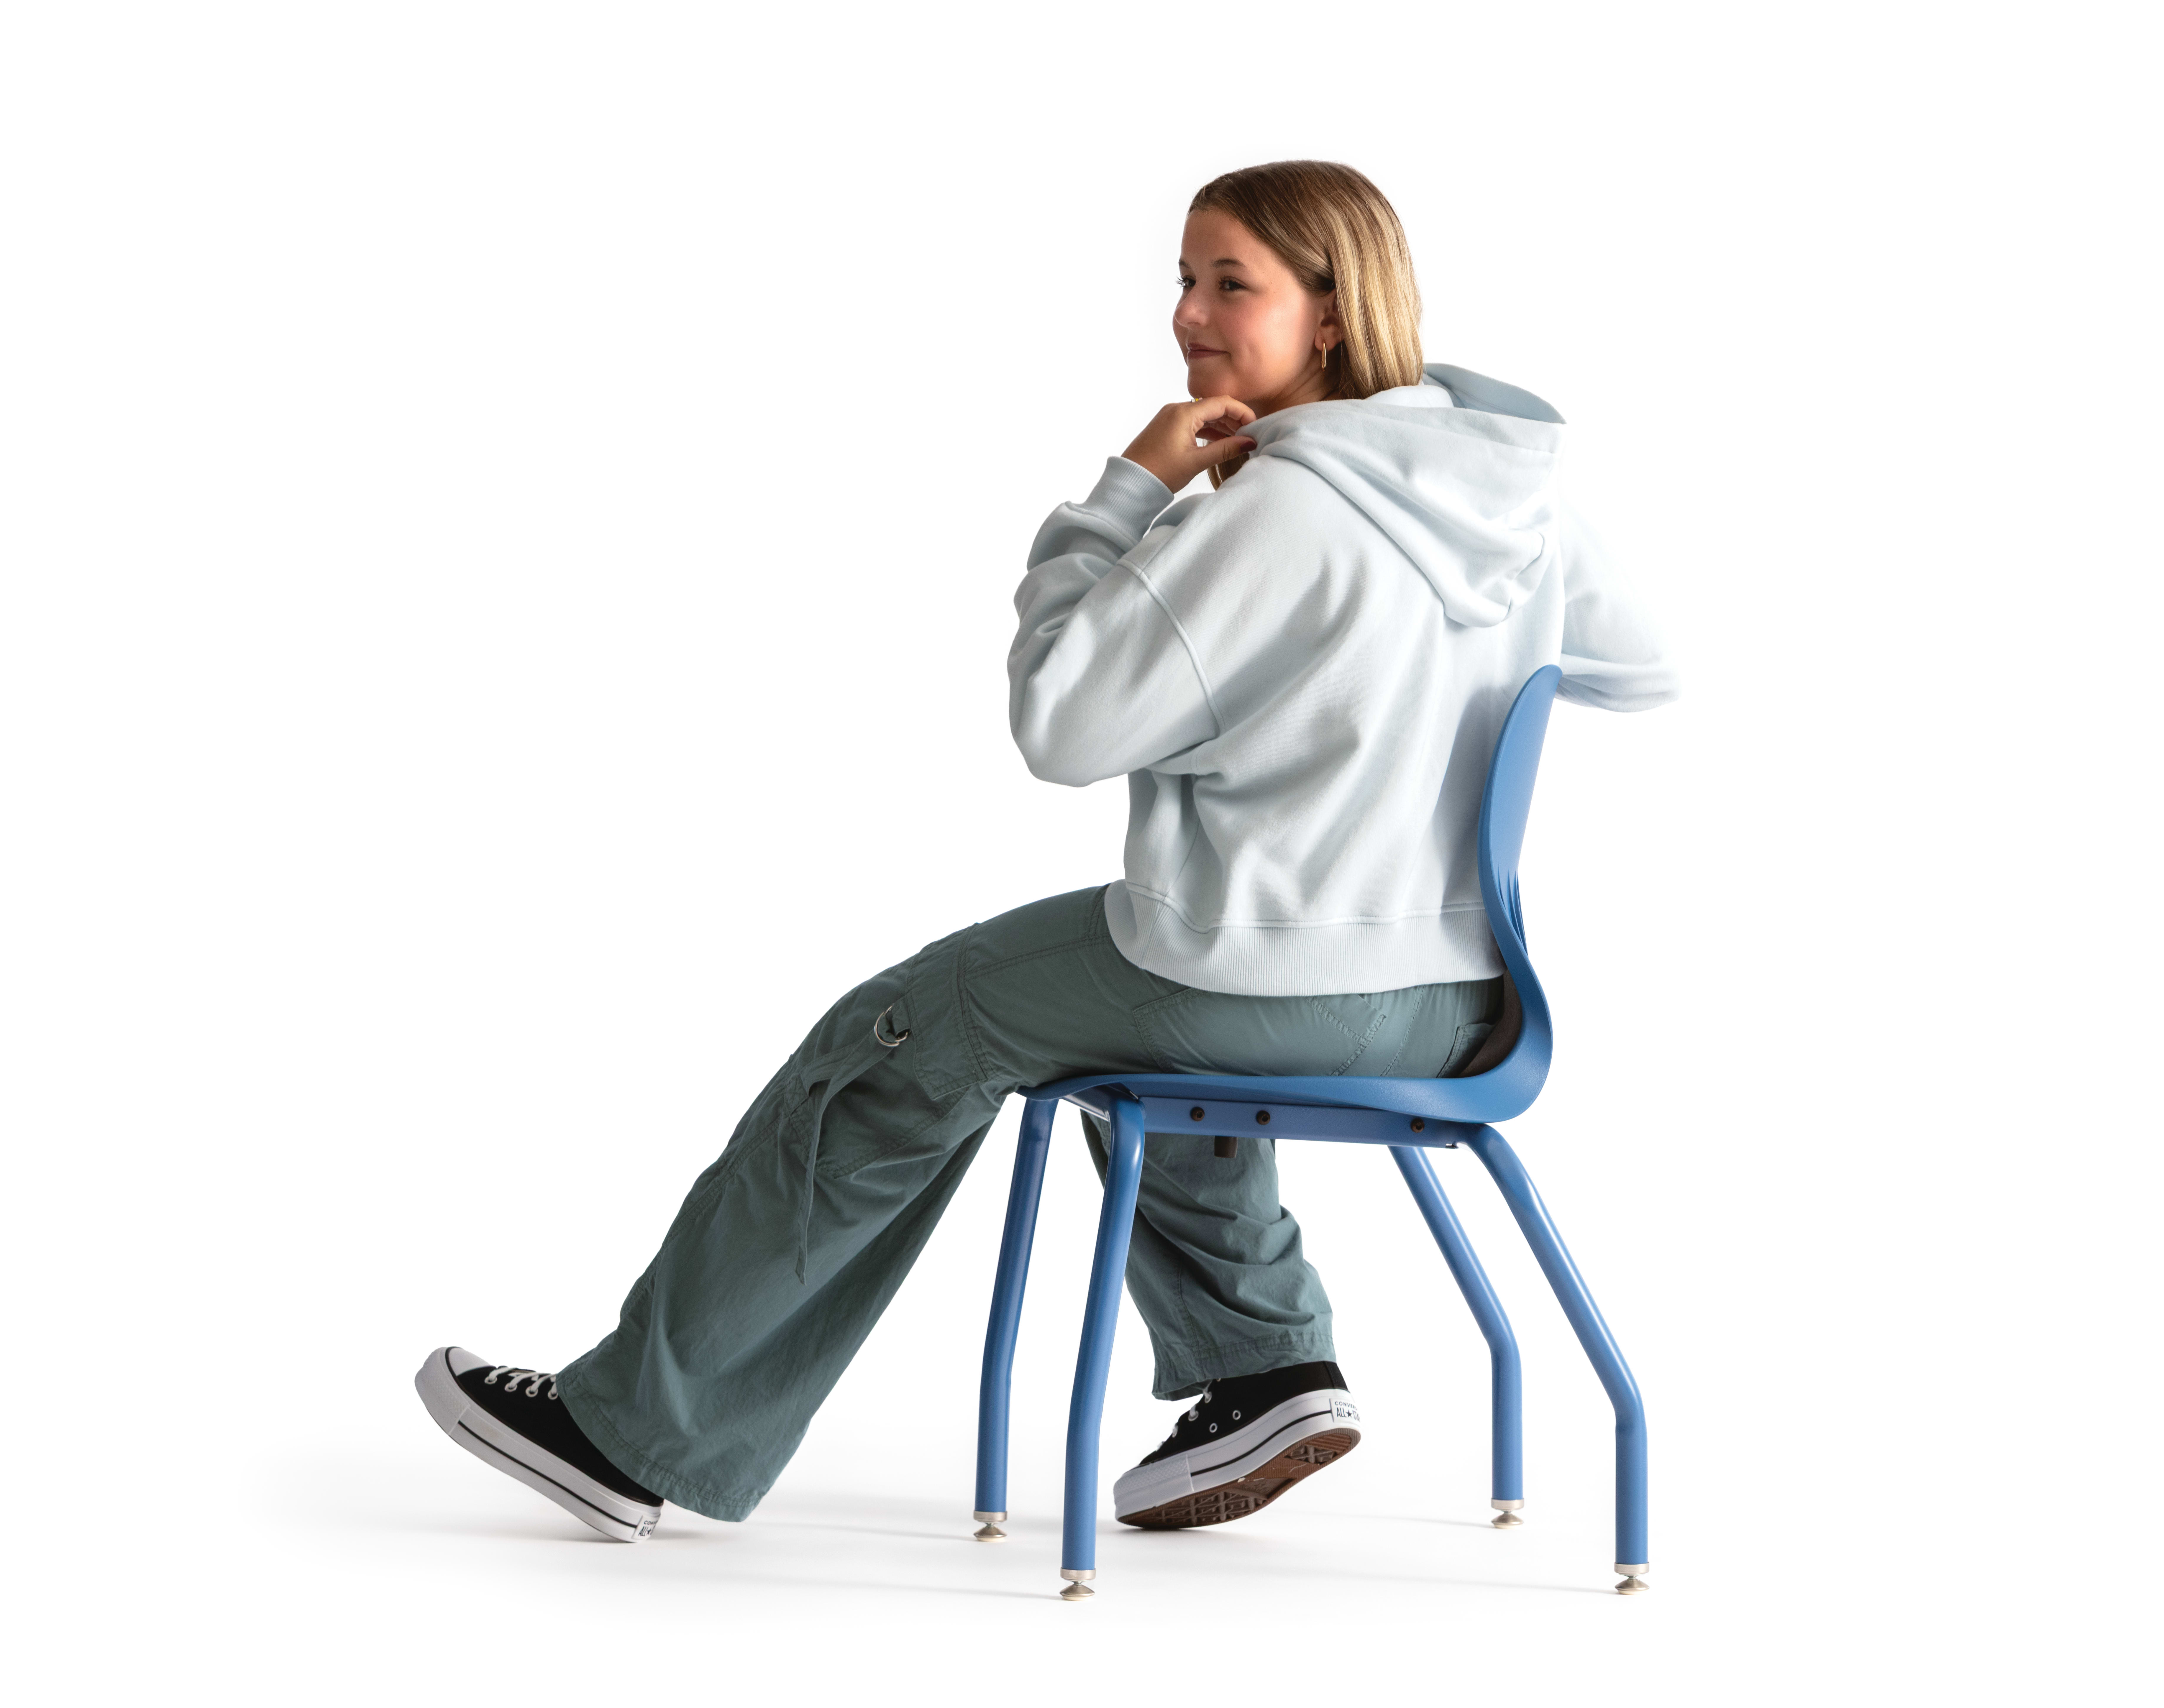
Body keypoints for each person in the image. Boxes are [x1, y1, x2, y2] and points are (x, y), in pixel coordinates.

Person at [416, 160, 1678, 1544]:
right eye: (1184, 279)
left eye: (1230, 282)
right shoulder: (1506, 494)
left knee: (909, 1028)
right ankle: (1264, 1369)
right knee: (1135, 999)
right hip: (1460, 1001)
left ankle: (626, 1431)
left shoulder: (1280, 514)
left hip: (1262, 975)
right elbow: (1642, 663)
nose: (1189, 314)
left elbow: (1061, 723)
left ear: (1329, 311)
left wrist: (1131, 493)